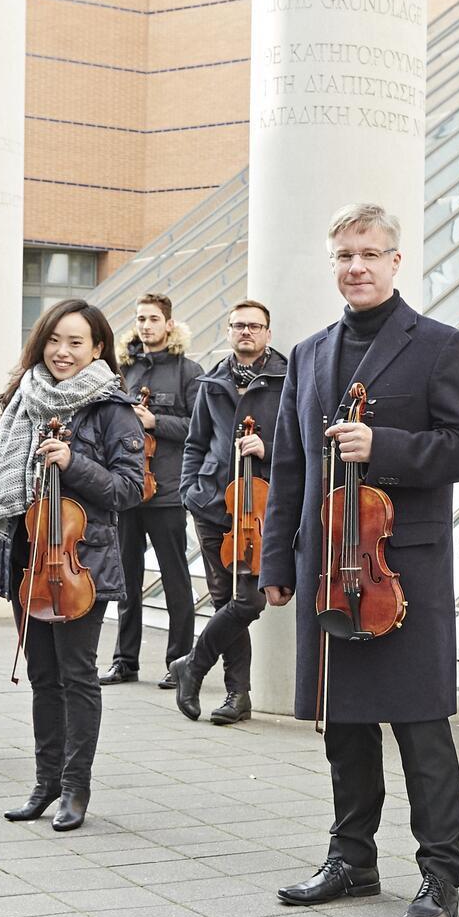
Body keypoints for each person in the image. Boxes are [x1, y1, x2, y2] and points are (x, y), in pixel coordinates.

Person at [261, 203, 459, 917]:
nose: (356, 266)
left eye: (370, 253)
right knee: (343, 725)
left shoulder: (440, 346)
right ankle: (352, 859)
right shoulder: (307, 354)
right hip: (329, 566)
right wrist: (276, 559)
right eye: (344, 255)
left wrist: (382, 445)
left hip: (401, 572)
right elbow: (290, 467)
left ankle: (440, 876)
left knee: (421, 730)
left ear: (397, 261)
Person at [0, 300, 146, 833]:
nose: (62, 353)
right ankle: (45, 784)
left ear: (97, 349)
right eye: (54, 341)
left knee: (76, 676)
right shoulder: (21, 399)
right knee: (43, 677)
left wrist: (75, 463)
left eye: (76, 343)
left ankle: (75, 788)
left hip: (79, 563)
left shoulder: (111, 408)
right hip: (25, 556)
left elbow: (129, 490)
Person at [168, 301, 286, 725]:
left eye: (255, 326)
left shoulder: (286, 380)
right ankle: (238, 696)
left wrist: (267, 450)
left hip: (262, 507)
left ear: (268, 333)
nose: (246, 333)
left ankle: (192, 666)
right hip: (213, 504)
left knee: (248, 601)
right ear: (229, 331)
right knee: (226, 601)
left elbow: (302, 445)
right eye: (238, 326)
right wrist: (189, 490)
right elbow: (195, 443)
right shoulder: (212, 382)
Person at [103, 293, 201, 689]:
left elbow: (198, 427)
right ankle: (125, 661)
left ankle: (179, 661)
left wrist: (154, 420)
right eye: (141, 318)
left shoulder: (187, 371)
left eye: (154, 319)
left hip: (166, 491)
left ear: (169, 325)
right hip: (128, 490)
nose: (146, 325)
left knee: (176, 579)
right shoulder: (121, 368)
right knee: (125, 579)